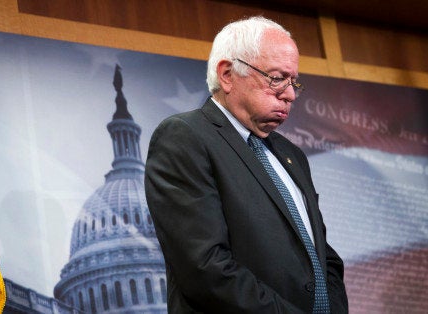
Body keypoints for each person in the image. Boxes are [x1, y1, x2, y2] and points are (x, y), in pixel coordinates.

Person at [144, 16, 348, 313]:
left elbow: (322, 257)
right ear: (227, 74)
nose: (290, 94)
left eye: (294, 82)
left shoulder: (291, 154)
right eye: (277, 78)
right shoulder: (184, 137)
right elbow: (206, 267)